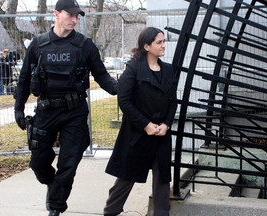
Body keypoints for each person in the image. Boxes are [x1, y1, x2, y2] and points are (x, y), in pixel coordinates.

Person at [14, 0, 118, 215]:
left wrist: (122, 89)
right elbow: (24, 79)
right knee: (38, 163)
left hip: (74, 112)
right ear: (56, 14)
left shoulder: (85, 45)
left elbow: (102, 76)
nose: (74, 19)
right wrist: (18, 107)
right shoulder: (38, 44)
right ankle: (52, 184)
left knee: (68, 166)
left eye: (77, 16)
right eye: (70, 15)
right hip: (46, 110)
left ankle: (56, 206)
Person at [103, 27, 178, 216]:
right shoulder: (134, 68)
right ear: (147, 46)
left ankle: (162, 213)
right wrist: (145, 125)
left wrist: (166, 124)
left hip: (161, 133)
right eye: (159, 42)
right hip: (138, 133)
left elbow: (173, 101)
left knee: (162, 178)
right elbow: (124, 101)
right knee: (126, 177)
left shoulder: (168, 70)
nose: (163, 45)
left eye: (164, 41)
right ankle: (111, 211)